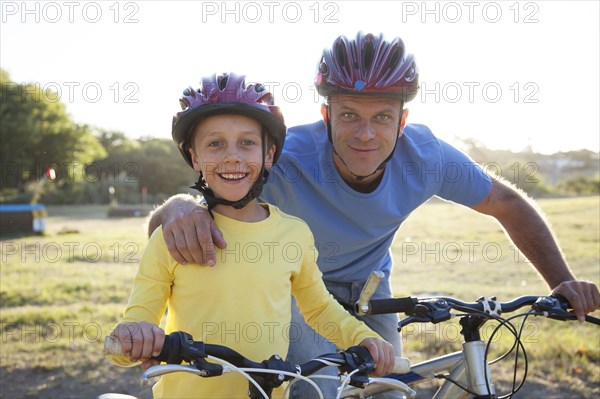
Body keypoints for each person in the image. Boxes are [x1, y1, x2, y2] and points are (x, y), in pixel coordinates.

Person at [147, 33, 600, 398]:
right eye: (348, 115)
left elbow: (508, 204)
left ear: (402, 121)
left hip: (370, 288)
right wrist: (179, 206)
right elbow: (207, 196)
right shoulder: (285, 156)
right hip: (295, 289)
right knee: (315, 386)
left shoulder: (428, 157)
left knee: (388, 387)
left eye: (382, 117)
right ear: (325, 115)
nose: (365, 134)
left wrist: (561, 280)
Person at [109, 72, 397, 399]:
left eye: (247, 142)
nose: (232, 156)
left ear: (269, 155)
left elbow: (318, 308)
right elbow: (131, 330)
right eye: (215, 143)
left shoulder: (293, 233)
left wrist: (362, 337)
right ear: (195, 157)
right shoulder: (174, 237)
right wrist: (133, 336)